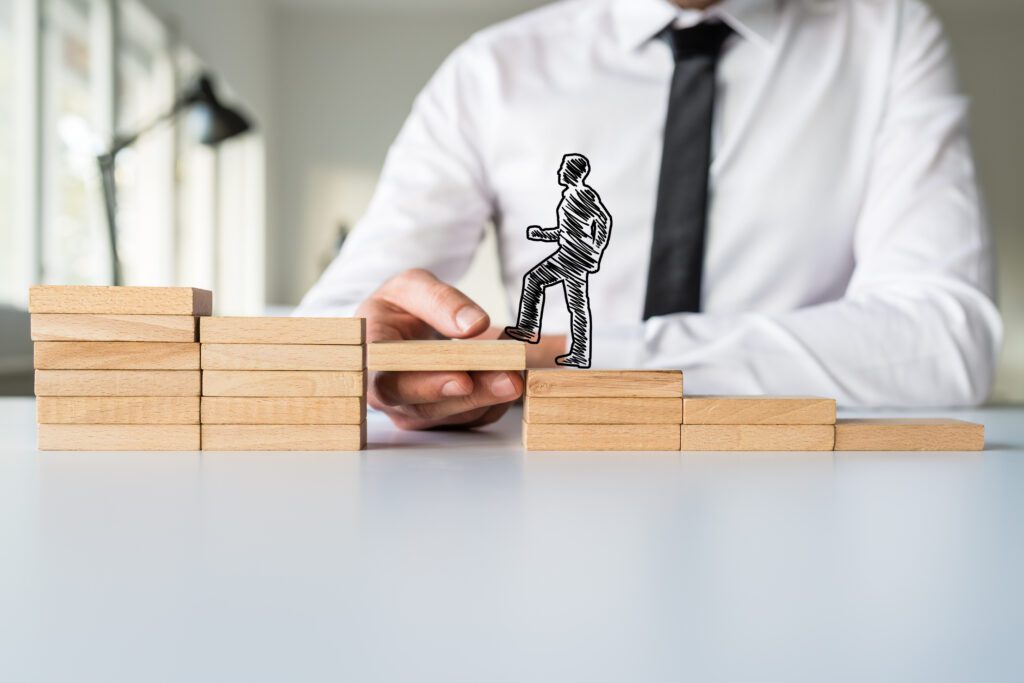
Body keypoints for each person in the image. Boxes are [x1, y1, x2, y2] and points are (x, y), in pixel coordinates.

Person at [298, 0, 1002, 431]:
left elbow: (943, 341)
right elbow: (332, 327)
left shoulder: (889, 40)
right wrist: (376, 357)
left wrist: (576, 360)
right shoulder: (490, 71)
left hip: (795, 486)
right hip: (542, 500)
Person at [505, 154, 612, 368]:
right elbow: (566, 232)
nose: (559, 172)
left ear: (572, 172)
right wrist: (542, 234)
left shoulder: (583, 195)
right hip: (572, 254)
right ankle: (579, 353)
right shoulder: (571, 195)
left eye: (563, 168)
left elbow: (604, 221)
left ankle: (529, 329)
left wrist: (595, 251)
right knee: (577, 304)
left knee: (536, 280)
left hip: (574, 256)